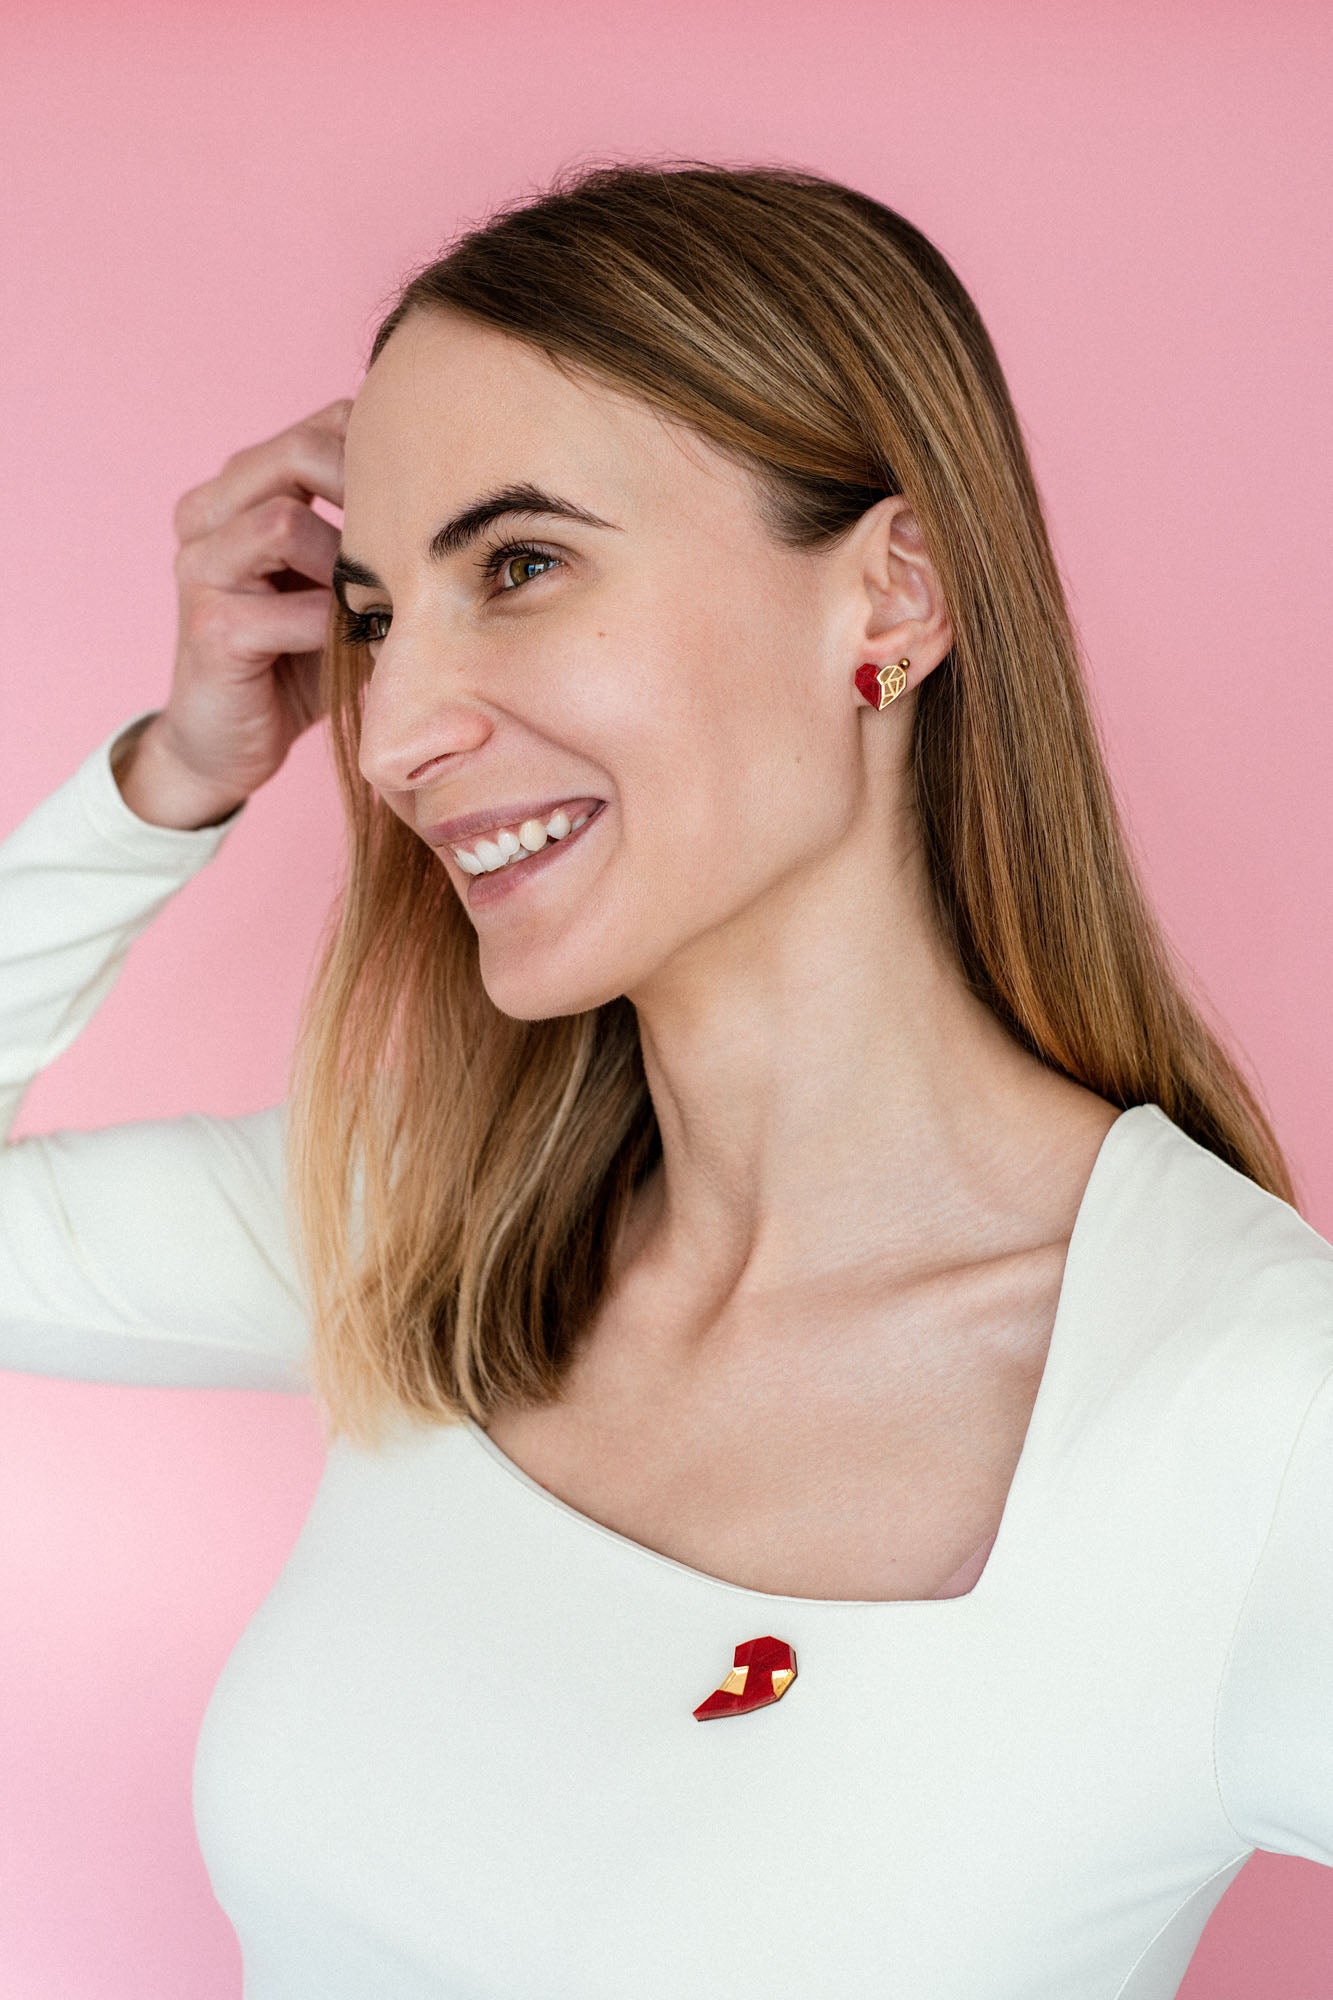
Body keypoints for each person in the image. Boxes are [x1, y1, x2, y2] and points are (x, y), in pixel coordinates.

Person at [2, 159, 1330, 1998]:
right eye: (374, 613)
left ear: (893, 597)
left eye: (522, 565)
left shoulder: (1252, 1418)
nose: (391, 733)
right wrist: (175, 768)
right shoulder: (420, 1238)